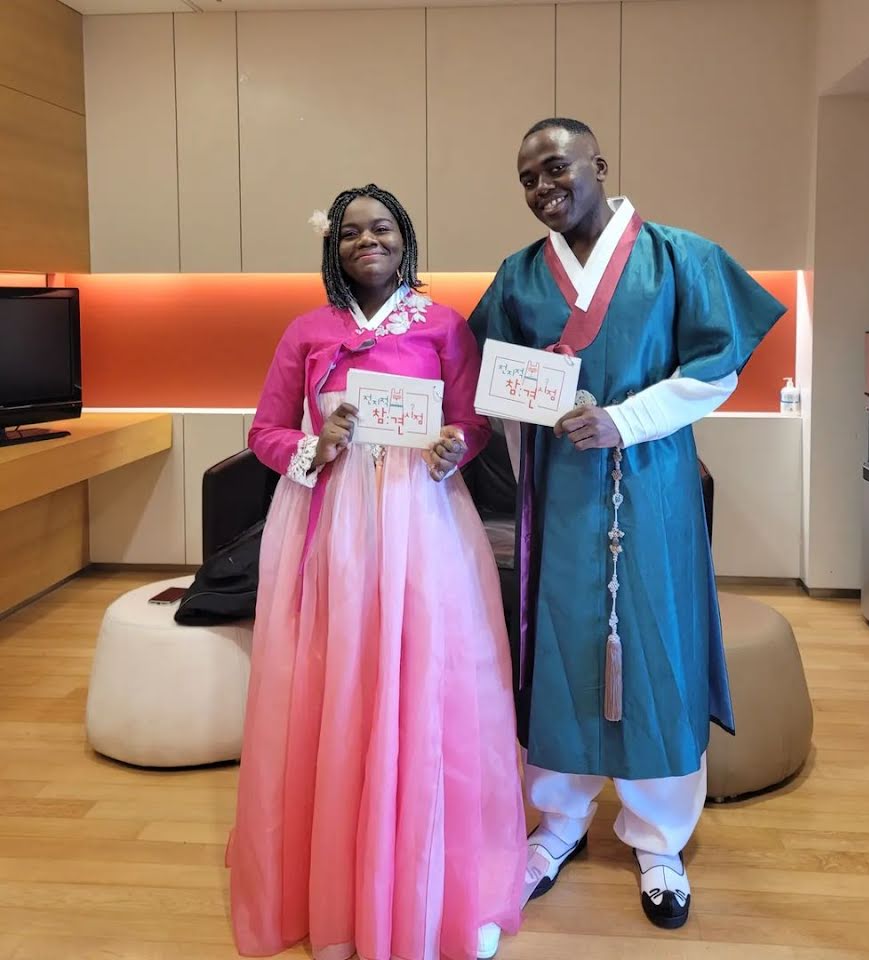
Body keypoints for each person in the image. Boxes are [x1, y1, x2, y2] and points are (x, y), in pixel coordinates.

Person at [468, 118, 787, 930]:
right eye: (528, 179)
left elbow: (717, 369)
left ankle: (658, 840)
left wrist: (624, 420)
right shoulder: (518, 276)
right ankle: (558, 822)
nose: (544, 188)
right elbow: (495, 381)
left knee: (657, 646)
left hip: (653, 485)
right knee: (561, 645)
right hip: (561, 491)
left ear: (599, 163)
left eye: (556, 168)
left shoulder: (681, 257)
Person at [227, 184, 526, 960]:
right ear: (333, 248)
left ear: (406, 238)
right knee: (338, 686)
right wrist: (316, 443)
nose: (368, 241)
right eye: (351, 232)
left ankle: (429, 883)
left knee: (426, 681)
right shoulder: (307, 330)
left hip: (422, 520)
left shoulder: (443, 324)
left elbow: (471, 421)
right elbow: (264, 430)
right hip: (332, 527)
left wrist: (455, 445)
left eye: (382, 228)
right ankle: (336, 886)